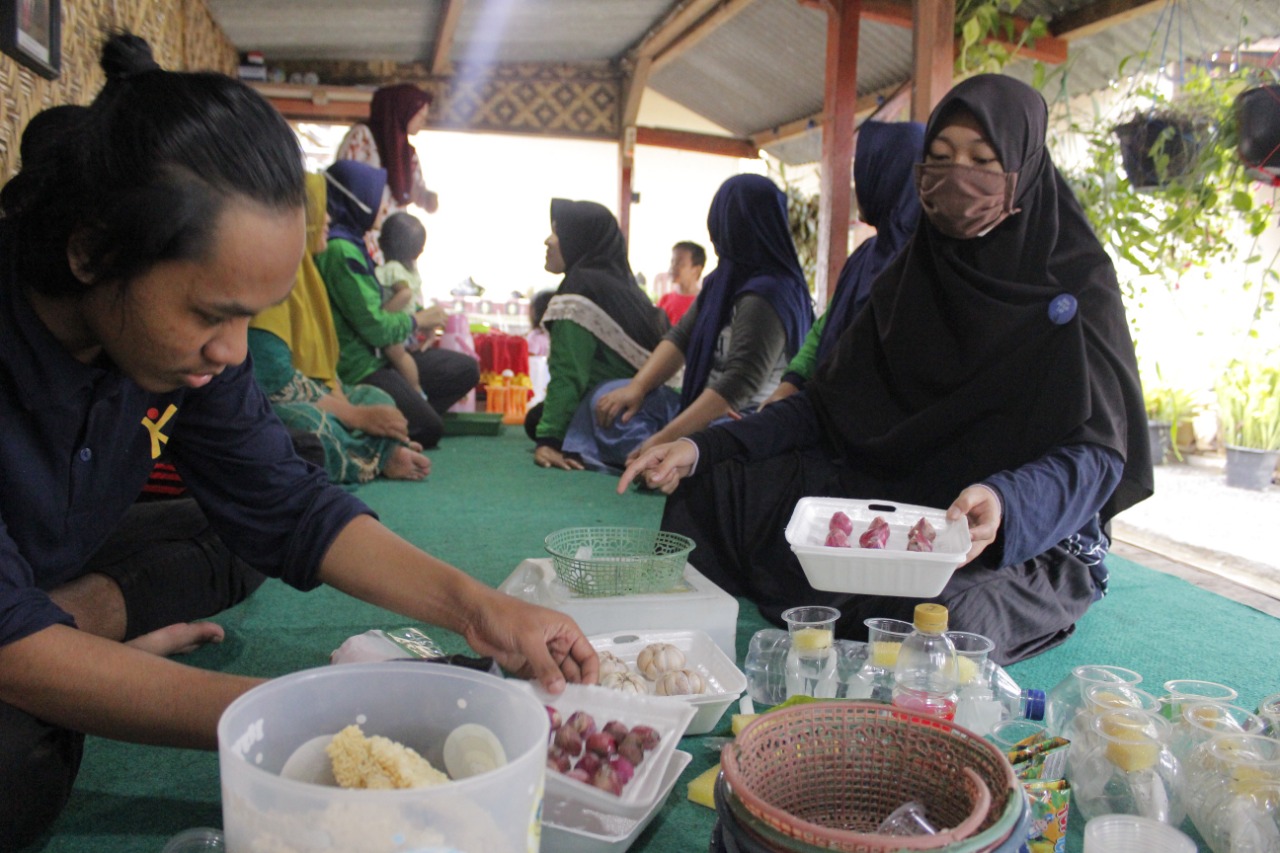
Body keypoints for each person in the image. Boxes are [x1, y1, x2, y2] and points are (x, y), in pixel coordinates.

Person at [0, 34, 596, 849]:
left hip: (41, 567)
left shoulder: (179, 352)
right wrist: (292, 719)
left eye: (252, 315)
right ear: (92, 252)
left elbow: (285, 505)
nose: (236, 350)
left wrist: (477, 607)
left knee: (236, 523)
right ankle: (58, 633)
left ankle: (71, 620)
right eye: (212, 314)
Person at [619, 74, 1153, 666]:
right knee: (719, 486)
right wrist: (703, 447)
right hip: (898, 497)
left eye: (982, 160)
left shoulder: (1077, 285)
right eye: (941, 158)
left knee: (940, 623)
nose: (957, 178)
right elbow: (824, 407)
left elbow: (1098, 454)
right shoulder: (909, 276)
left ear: (1024, 169)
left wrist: (1005, 501)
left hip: (1008, 530)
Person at [575, 174, 814, 471]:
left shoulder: (767, 294)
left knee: (719, 448)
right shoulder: (722, 283)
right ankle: (662, 462)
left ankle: (666, 462)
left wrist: (665, 439)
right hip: (699, 409)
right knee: (608, 398)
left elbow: (738, 385)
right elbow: (679, 339)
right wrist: (637, 387)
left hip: (742, 420)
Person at [249, 174, 432, 484]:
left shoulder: (309, 274)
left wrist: (348, 403)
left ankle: (375, 451)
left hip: (321, 387)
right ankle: (378, 455)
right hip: (275, 400)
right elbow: (276, 386)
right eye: (319, 208)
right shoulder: (275, 278)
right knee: (308, 430)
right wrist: (354, 415)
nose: (329, 217)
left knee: (375, 397)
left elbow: (324, 371)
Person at [315, 159, 477, 450]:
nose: (382, 205)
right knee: (429, 429)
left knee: (465, 369)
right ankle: (399, 420)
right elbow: (374, 327)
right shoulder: (341, 250)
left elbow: (379, 304)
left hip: (384, 354)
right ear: (357, 198)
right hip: (361, 364)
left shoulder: (356, 244)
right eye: (378, 196)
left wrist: (418, 318)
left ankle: (409, 409)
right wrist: (417, 321)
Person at [762, 121, 924, 406]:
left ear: (887, 176)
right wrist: (789, 387)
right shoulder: (866, 254)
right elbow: (825, 328)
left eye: (863, 170)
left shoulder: (924, 265)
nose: (856, 183)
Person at [528, 199, 669, 470]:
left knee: (557, 420)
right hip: (669, 404)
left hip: (632, 410)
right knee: (538, 417)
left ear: (579, 239)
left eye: (558, 232)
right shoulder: (623, 287)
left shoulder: (578, 290)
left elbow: (569, 372)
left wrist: (550, 441)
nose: (548, 240)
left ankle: (650, 454)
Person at [334, 82, 438, 265]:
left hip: (395, 242)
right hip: (362, 236)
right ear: (403, 111)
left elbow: (415, 191)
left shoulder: (408, 154)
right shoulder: (363, 137)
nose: (422, 122)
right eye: (420, 116)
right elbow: (340, 181)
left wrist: (427, 198)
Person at [375, 211, 433, 393]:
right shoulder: (411, 271)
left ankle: (416, 390)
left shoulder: (393, 269)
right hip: (409, 326)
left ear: (382, 243)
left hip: (399, 326)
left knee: (398, 354)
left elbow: (405, 294)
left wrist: (381, 315)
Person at [656, 240, 705, 325]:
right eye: (672, 262)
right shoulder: (665, 300)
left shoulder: (704, 302)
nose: (673, 267)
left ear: (696, 270)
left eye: (680, 263)